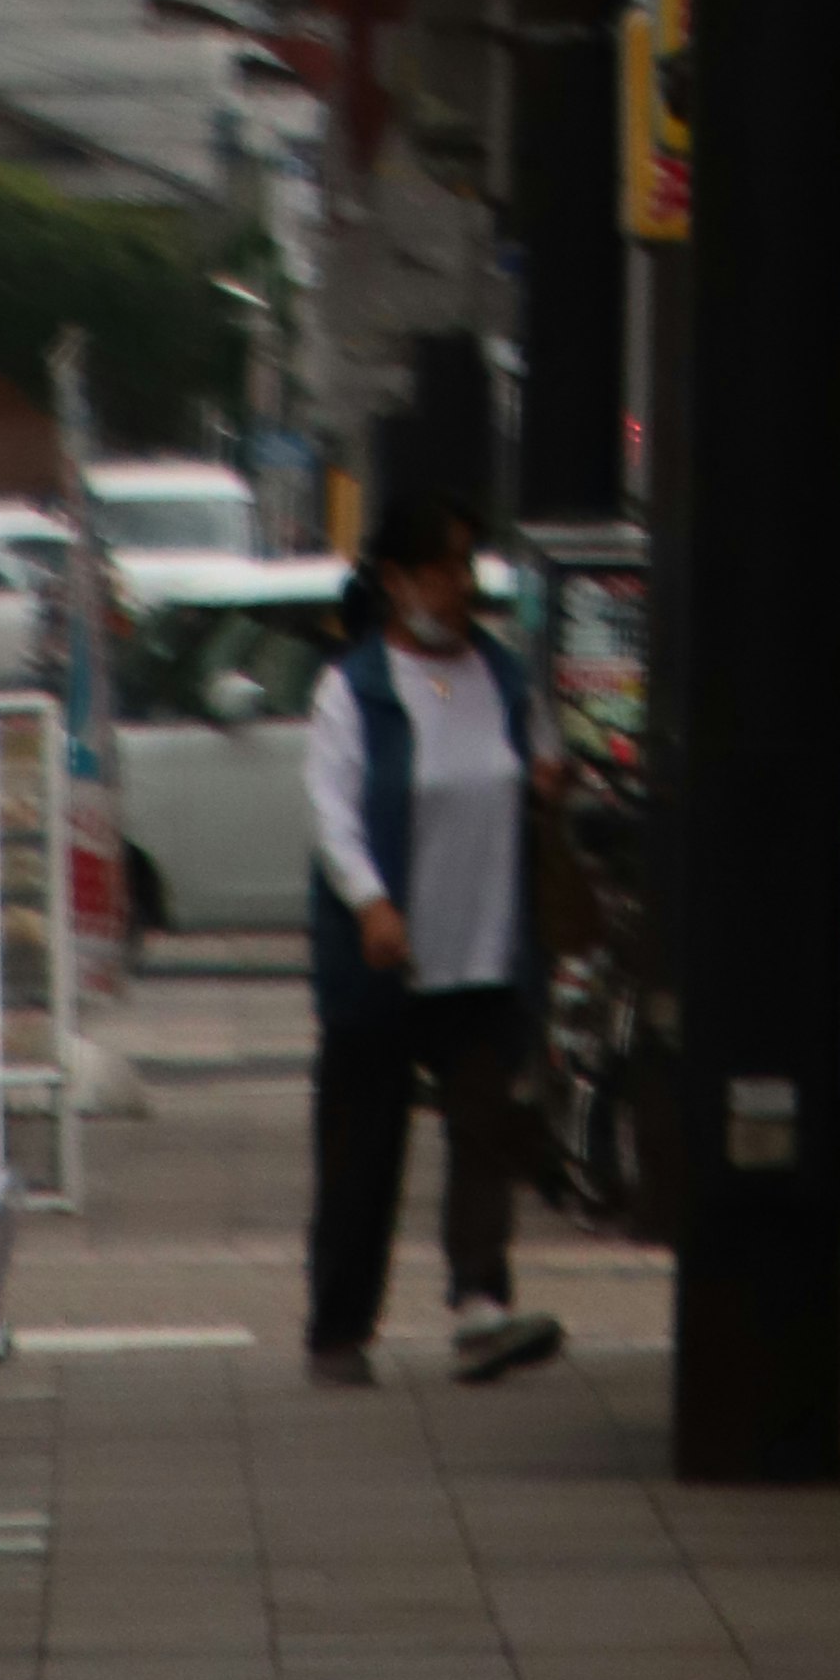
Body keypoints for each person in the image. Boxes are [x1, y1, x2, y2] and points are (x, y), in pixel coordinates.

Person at [302, 490, 562, 1389]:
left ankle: (481, 1304)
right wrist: (371, 902)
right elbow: (332, 816)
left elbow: (538, 757)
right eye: (443, 568)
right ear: (398, 580)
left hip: (484, 947)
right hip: (386, 957)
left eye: (467, 567)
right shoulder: (354, 690)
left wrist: (549, 780)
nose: (460, 586)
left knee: (484, 1128)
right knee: (362, 1149)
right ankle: (339, 1327)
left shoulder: (502, 674)